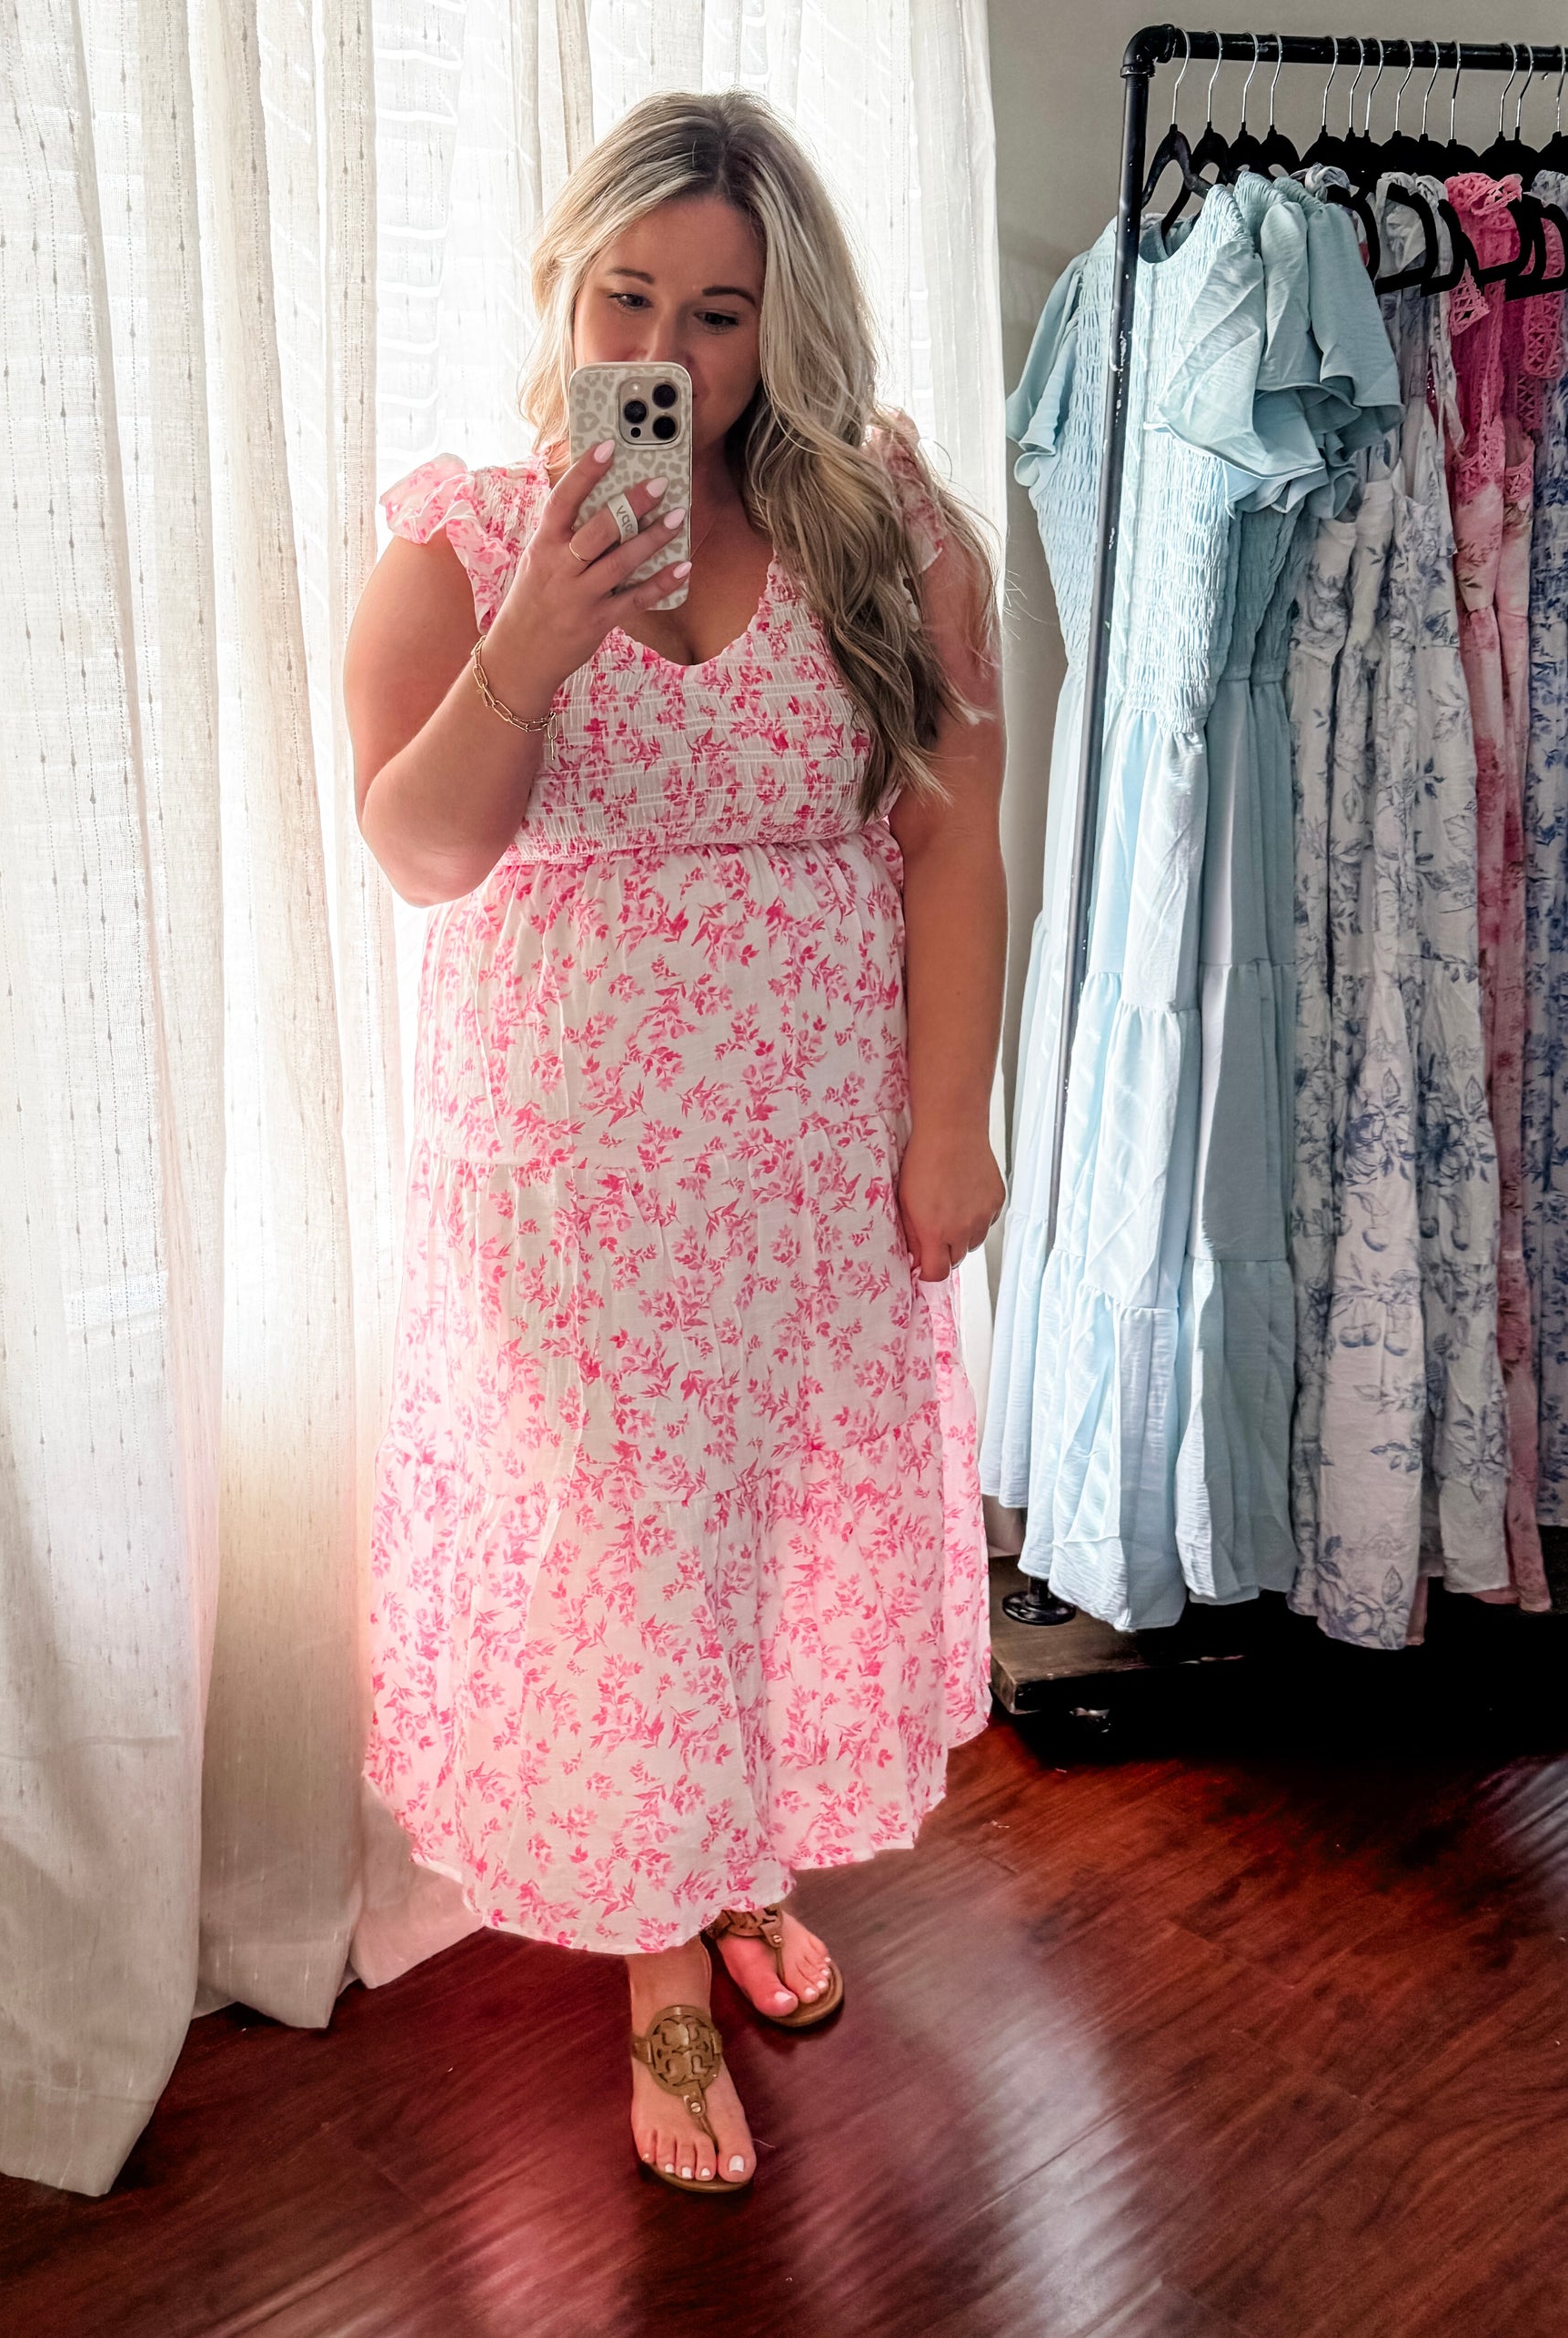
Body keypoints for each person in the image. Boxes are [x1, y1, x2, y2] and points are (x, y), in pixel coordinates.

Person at [343, 86, 1005, 2195]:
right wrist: (537, 635)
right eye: (628, 298)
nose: (667, 351)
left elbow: (952, 833)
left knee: (768, 1536)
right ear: (567, 286)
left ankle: (733, 1871)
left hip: (805, 1161)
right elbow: (420, 851)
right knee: (629, 1567)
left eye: (718, 314)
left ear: (779, 323)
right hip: (572, 1182)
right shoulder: (462, 539)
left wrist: (952, 1122)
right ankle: (659, 1978)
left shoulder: (881, 527)